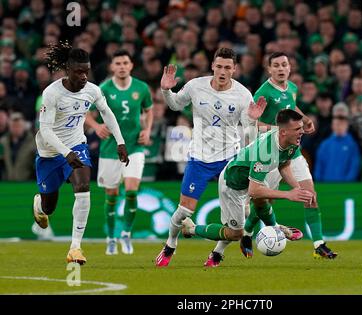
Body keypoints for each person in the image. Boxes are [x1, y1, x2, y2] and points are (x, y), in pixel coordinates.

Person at [155, 47, 267, 267]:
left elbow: (248, 133)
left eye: (227, 67)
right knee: (184, 211)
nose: (222, 71)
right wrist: (166, 91)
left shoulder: (243, 94)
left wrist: (252, 121)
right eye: (219, 66)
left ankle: (216, 254)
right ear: (212, 66)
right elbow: (176, 104)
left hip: (230, 159)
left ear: (234, 69)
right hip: (199, 157)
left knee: (240, 214)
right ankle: (170, 244)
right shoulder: (196, 86)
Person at [32, 41, 129, 265]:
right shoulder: (51, 93)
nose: (84, 76)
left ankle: (75, 248)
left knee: (83, 188)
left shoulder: (93, 90)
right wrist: (65, 153)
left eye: (86, 71)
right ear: (67, 69)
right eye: (78, 71)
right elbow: (45, 130)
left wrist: (120, 142)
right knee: (49, 208)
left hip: (76, 145)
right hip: (50, 152)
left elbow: (107, 113)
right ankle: (40, 205)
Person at [181, 109, 315, 266]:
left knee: (261, 202)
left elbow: (284, 165)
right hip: (233, 184)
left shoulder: (292, 143)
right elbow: (254, 191)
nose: (302, 132)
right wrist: (288, 194)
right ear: (283, 132)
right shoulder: (265, 151)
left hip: (250, 178)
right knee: (234, 233)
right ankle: (191, 228)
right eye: (297, 129)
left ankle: (273, 228)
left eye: (301, 127)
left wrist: (299, 189)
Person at [241, 52, 338, 260]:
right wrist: (280, 130)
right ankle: (247, 232)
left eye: (284, 64)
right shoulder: (263, 92)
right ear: (269, 70)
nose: (281, 68)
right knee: (264, 202)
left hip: (292, 151)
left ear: (289, 67)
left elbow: (290, 108)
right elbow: (253, 124)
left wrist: (304, 119)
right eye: (276, 65)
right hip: (271, 152)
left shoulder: (292, 88)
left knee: (309, 195)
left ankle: (319, 244)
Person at [85, 49, 153, 255]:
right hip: (110, 149)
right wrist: (96, 127)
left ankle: (126, 233)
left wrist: (147, 130)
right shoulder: (102, 88)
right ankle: (111, 237)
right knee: (112, 194)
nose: (122, 66)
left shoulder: (141, 88)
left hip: (134, 146)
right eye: (118, 63)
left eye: (125, 62)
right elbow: (87, 113)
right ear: (112, 67)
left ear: (131, 65)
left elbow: (149, 110)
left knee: (132, 190)